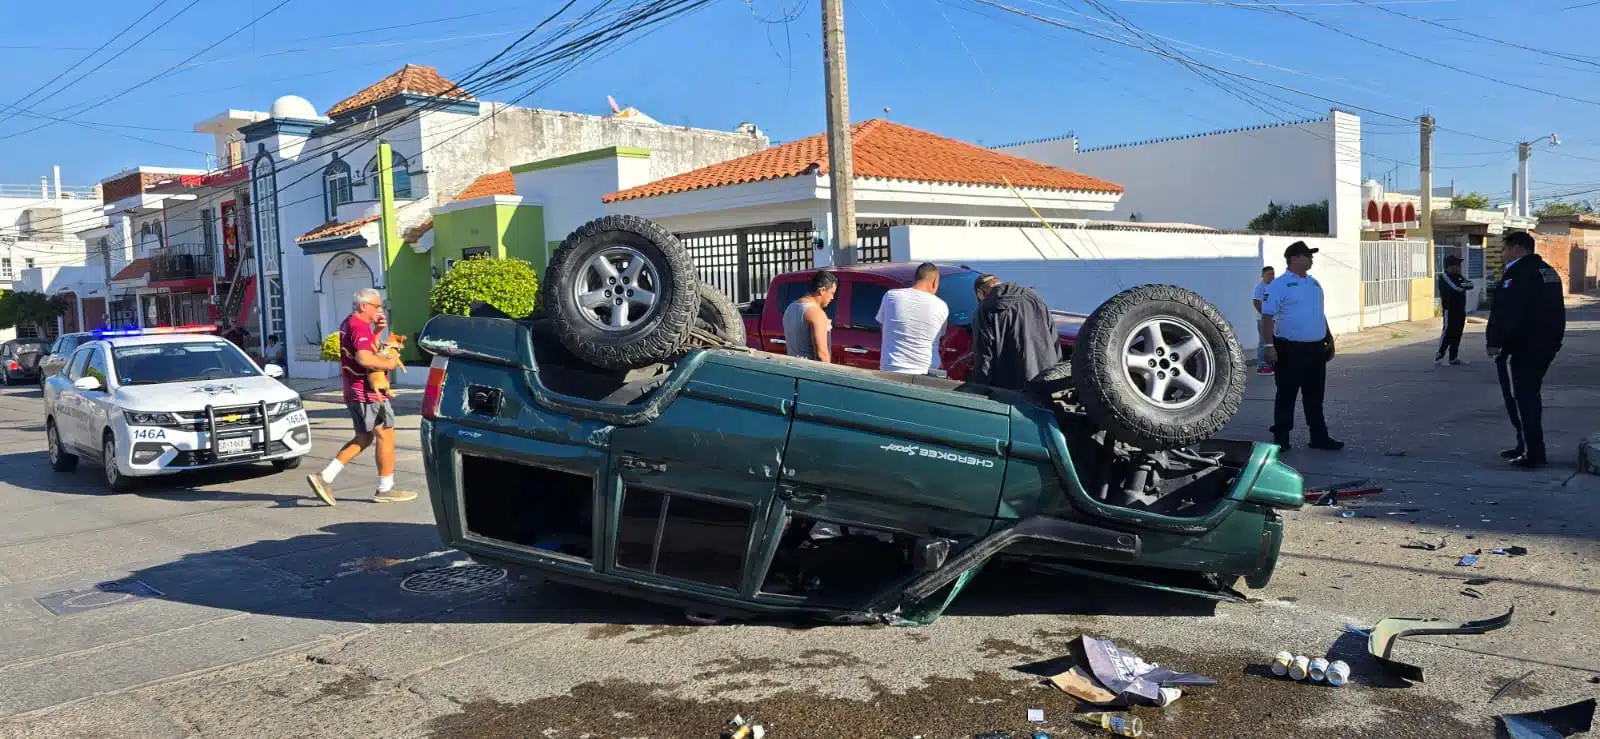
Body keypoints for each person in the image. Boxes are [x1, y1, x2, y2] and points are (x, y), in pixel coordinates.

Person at [304, 289, 417, 505]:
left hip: (354, 391)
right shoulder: (359, 326)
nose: (380, 310)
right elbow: (365, 358)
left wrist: (378, 330)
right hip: (368, 392)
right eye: (376, 306)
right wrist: (390, 364)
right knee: (387, 436)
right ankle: (385, 489)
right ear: (363, 306)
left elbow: (363, 347)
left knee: (364, 438)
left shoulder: (349, 324)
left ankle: (324, 477)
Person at [1486, 230, 1566, 469]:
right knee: (1528, 395)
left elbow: (1508, 312)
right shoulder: (1547, 271)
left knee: (1522, 398)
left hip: (1523, 346)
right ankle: (1525, 444)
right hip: (1545, 344)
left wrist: (1495, 341)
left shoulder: (1519, 274)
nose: (1502, 254)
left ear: (1516, 248)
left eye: (1504, 249)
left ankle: (1533, 452)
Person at [1260, 241, 1343, 451]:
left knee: (1315, 396)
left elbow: (1318, 313)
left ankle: (1319, 437)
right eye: (1307, 255)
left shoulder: (1314, 284)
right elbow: (1267, 316)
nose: (1311, 259)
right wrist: (1269, 345)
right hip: (1290, 350)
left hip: (1315, 349)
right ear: (1294, 258)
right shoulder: (1278, 285)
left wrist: (1328, 336)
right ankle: (1281, 438)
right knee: (1286, 395)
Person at [970, 273, 1059, 390]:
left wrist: (980, 387)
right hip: (1044, 373)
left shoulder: (985, 309)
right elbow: (1052, 333)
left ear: (980, 292)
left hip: (1011, 385)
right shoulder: (1032, 295)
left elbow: (984, 354)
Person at [877, 262, 950, 374]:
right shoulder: (941, 306)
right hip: (926, 372)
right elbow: (940, 335)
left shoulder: (891, 296)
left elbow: (883, 325)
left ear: (915, 278)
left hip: (892, 369)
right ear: (935, 282)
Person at [783, 270, 837, 363]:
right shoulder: (816, 313)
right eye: (832, 293)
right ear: (822, 290)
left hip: (792, 369)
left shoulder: (791, 307)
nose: (832, 298)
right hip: (809, 372)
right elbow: (822, 355)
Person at [1434, 255, 1474, 366]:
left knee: (1458, 333)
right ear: (1449, 266)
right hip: (1449, 309)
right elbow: (1456, 287)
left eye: (1458, 265)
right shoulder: (1444, 277)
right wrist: (1462, 285)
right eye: (1456, 265)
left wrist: (1462, 285)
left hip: (1460, 309)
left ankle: (1453, 357)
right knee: (1447, 332)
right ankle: (1439, 355)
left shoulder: (1459, 276)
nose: (1458, 267)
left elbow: (1470, 285)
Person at [1253, 266, 1276, 375]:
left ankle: (1271, 364)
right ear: (1263, 275)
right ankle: (1261, 366)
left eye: (1273, 274)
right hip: (1263, 320)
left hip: (1274, 319)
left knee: (1272, 343)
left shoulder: (1275, 286)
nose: (1272, 276)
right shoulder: (1260, 287)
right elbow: (1256, 303)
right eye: (1269, 274)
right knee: (1263, 343)